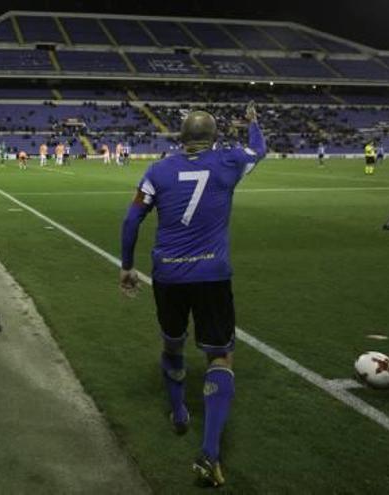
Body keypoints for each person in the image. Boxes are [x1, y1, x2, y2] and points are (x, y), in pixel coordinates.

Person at [119, 102, 266, 488]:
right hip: (212, 274)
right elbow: (259, 150)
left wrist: (126, 266)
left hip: (168, 275)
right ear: (215, 138)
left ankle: (180, 411)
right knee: (219, 354)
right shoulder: (230, 161)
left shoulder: (158, 170)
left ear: (180, 138)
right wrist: (253, 123)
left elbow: (132, 218)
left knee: (172, 343)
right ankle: (209, 454)